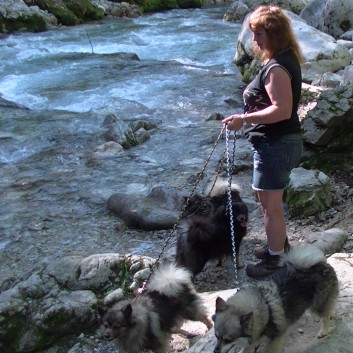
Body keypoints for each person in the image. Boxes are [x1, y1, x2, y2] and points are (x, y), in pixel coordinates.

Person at [222, 5, 303, 278]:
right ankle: (278, 246)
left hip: (276, 144)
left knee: (271, 205)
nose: (254, 40)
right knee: (264, 198)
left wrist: (243, 120)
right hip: (276, 143)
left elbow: (282, 110)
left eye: (258, 34)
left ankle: (276, 260)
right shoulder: (282, 59)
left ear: (274, 34)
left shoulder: (277, 68)